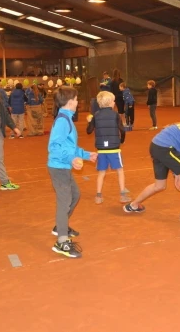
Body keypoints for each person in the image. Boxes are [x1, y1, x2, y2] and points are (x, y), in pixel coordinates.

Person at [48, 86, 97, 258]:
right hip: (59, 167)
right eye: (76, 100)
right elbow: (54, 146)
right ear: (70, 102)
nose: (77, 102)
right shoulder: (63, 121)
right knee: (65, 201)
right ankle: (61, 242)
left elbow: (70, 147)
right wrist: (71, 159)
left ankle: (60, 226)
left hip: (64, 166)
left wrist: (86, 155)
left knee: (75, 194)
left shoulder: (66, 118)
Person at [86, 91, 131, 205]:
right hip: (114, 148)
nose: (114, 102)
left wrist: (90, 122)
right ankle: (122, 195)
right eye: (113, 101)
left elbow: (89, 131)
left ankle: (98, 196)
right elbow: (122, 130)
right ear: (110, 102)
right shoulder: (115, 115)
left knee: (101, 172)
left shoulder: (96, 115)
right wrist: (121, 141)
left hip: (101, 149)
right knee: (120, 171)